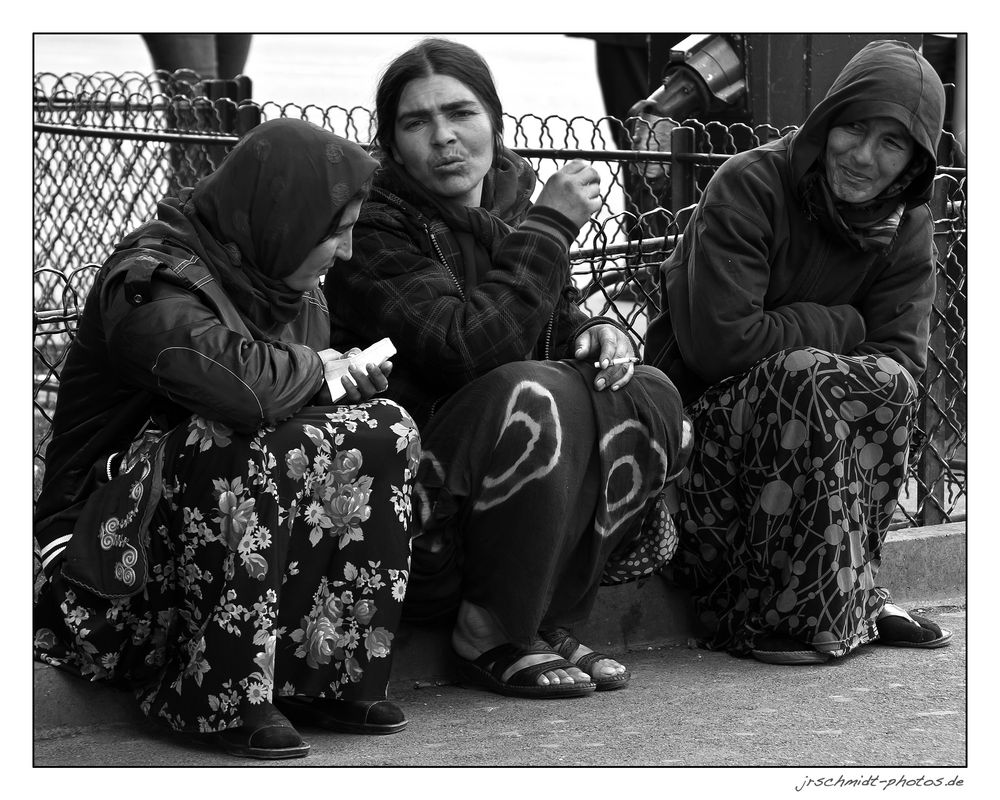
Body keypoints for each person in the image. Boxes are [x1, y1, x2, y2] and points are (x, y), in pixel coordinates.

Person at [32, 119, 421, 759]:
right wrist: (317, 374)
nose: (347, 253)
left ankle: (315, 674)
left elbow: (290, 400)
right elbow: (242, 391)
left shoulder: (289, 285)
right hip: (103, 578)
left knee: (384, 427)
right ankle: (215, 695)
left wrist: (341, 381)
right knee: (230, 436)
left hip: (201, 561)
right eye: (337, 231)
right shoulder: (150, 281)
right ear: (283, 219)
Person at [324, 38, 689, 698]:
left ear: (494, 117)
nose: (444, 138)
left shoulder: (514, 199)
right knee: (532, 392)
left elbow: (552, 322)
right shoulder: (375, 224)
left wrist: (597, 336)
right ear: (391, 143)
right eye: (416, 123)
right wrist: (551, 226)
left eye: (461, 113)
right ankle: (489, 628)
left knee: (647, 392)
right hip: (418, 509)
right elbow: (465, 350)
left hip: (524, 479)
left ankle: (543, 613)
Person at [644, 40, 953, 665]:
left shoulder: (906, 227)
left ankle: (843, 590)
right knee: (805, 375)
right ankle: (775, 608)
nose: (864, 157)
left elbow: (898, 362)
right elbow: (722, 345)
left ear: (914, 164)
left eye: (892, 144)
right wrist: (838, 323)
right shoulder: (752, 183)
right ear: (827, 120)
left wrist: (821, 347)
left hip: (816, 442)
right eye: (855, 129)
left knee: (883, 386)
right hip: (712, 458)